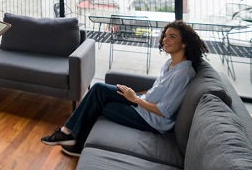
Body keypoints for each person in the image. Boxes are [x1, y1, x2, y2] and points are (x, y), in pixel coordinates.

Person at [41, 20, 208, 157]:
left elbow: (165, 111)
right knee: (99, 89)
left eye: (172, 37)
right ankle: (68, 133)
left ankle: (75, 140)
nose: (165, 39)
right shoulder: (170, 64)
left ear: (184, 43)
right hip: (142, 105)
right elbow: (156, 91)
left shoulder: (183, 73)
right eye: (165, 35)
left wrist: (134, 99)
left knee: (103, 105)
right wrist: (135, 94)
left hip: (151, 121)